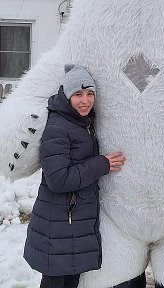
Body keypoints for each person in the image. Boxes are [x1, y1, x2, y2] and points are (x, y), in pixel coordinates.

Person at [23, 64, 126, 288]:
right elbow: (58, 179)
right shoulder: (58, 126)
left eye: (90, 94)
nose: (85, 100)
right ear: (67, 95)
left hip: (70, 226)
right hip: (58, 226)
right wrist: (102, 164)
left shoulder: (82, 122)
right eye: (78, 94)